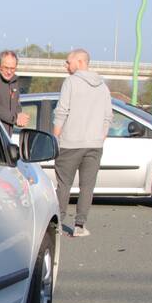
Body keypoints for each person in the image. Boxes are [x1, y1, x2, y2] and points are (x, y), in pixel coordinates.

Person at [52, 48, 112, 237]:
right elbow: (108, 116)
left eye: (68, 62)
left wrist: (55, 137)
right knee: (87, 186)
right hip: (94, 144)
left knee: (64, 184)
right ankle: (80, 226)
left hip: (70, 143)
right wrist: (100, 136)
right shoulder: (103, 86)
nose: (66, 65)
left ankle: (59, 224)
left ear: (79, 62)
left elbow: (61, 111)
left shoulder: (70, 83)